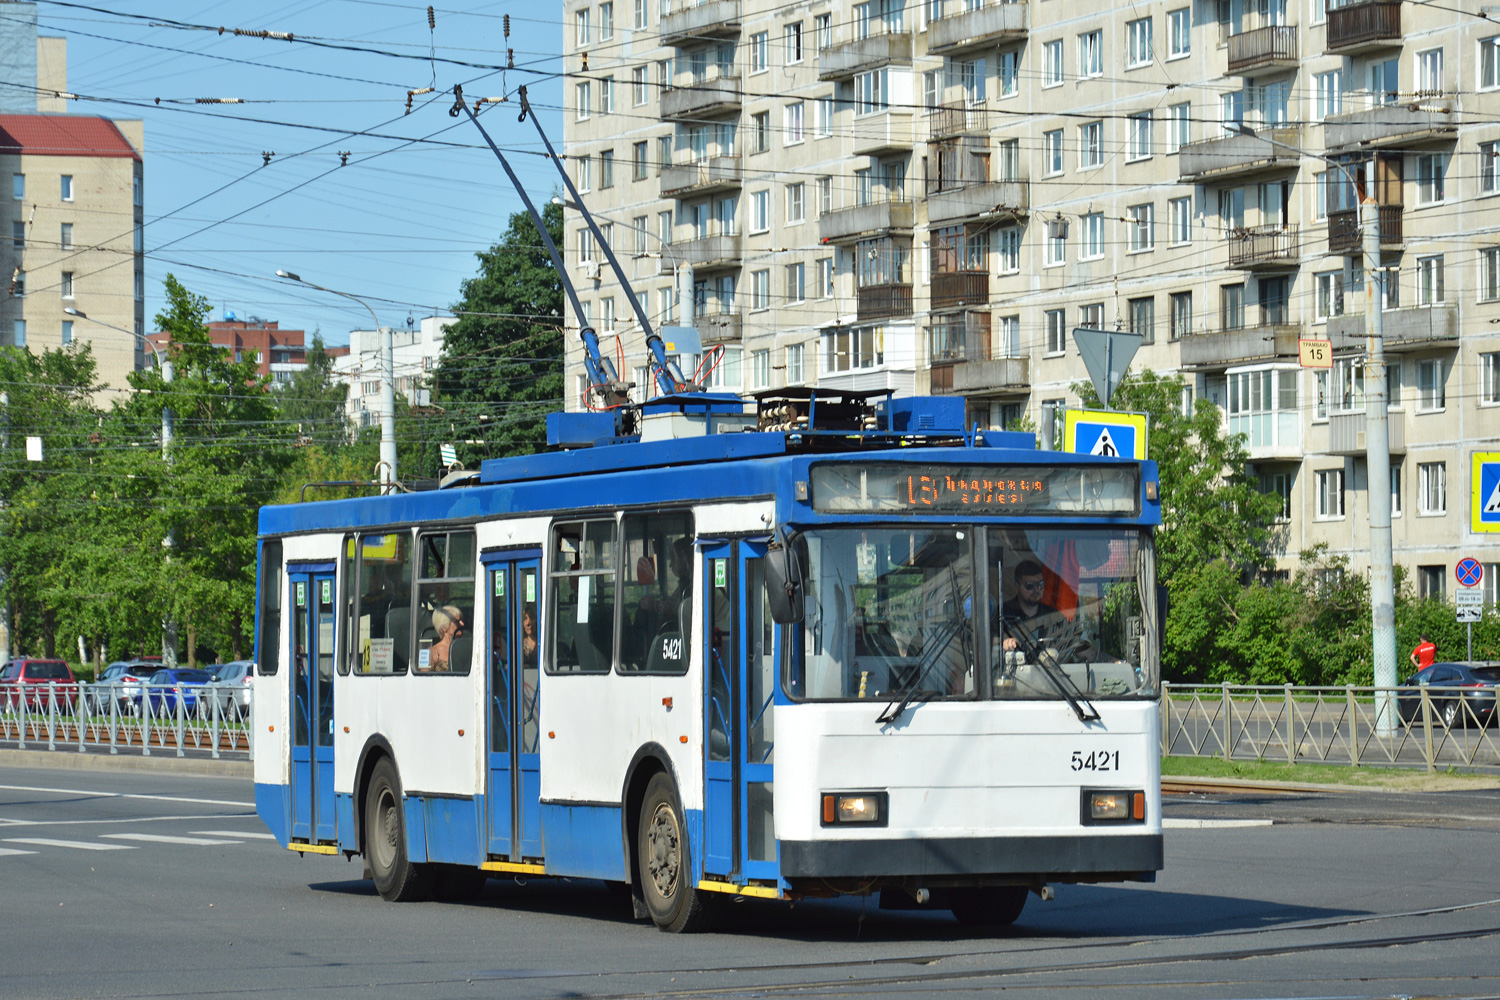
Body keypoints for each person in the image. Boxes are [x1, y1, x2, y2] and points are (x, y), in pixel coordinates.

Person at [1000, 560, 1060, 652]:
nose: (1036, 590)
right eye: (1029, 585)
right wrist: (1003, 644)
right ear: (1017, 585)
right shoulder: (1002, 614)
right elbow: (989, 642)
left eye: (1040, 585)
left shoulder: (1053, 615)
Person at [426, 605, 465, 672]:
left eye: (461, 620)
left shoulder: (468, 647)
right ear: (444, 627)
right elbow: (423, 678)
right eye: (457, 621)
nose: (462, 624)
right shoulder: (432, 653)